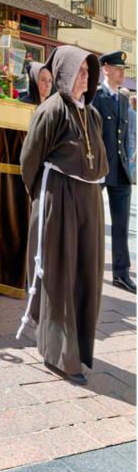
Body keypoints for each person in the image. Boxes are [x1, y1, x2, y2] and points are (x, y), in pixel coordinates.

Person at [18, 45, 108, 385]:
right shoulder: (52, 110)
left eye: (89, 72)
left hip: (89, 203)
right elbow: (30, 160)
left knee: (86, 275)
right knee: (61, 275)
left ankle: (79, 350)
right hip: (60, 202)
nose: (86, 77)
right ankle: (59, 355)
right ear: (65, 73)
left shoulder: (93, 114)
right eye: (80, 71)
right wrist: (45, 199)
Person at [91, 52, 135, 293]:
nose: (122, 72)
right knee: (93, 223)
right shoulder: (95, 98)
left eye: (124, 68)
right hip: (98, 170)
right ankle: (90, 269)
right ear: (106, 69)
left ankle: (121, 274)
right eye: (118, 68)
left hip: (120, 171)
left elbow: (126, 136)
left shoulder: (123, 100)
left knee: (121, 226)